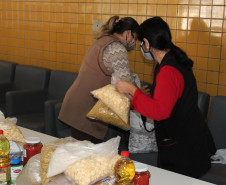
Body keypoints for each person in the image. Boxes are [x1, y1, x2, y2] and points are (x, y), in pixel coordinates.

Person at [115, 16, 216, 178]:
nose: (141, 47)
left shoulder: (168, 71)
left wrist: (133, 90)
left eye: (141, 43)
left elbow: (160, 111)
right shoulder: (168, 60)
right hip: (185, 139)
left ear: (147, 43)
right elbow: (162, 100)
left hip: (184, 147)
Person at [59, 16, 139, 144]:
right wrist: (141, 98)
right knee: (87, 156)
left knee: (81, 153)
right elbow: (125, 83)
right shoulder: (117, 48)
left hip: (78, 103)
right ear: (127, 33)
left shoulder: (103, 41)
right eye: (134, 38)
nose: (135, 42)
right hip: (87, 110)